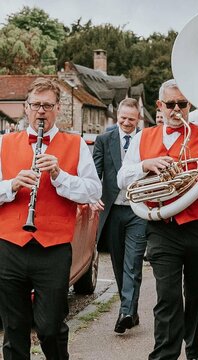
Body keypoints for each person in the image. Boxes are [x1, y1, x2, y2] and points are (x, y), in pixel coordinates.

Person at [117, 79, 198, 360]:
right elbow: (122, 179)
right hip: (162, 229)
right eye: (171, 104)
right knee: (167, 298)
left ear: (189, 105)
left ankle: (195, 353)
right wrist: (145, 166)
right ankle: (164, 355)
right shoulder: (143, 138)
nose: (177, 109)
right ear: (160, 106)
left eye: (182, 104)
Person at [0, 77, 102, 359]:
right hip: (10, 246)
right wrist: (12, 185)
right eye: (35, 105)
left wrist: (59, 176)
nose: (40, 111)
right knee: (14, 327)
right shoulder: (4, 142)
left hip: (53, 248)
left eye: (47, 105)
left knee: (49, 326)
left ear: (58, 109)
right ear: (25, 107)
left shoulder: (76, 144)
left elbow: (93, 191)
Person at [92, 98, 147, 334]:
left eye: (131, 119)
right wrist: (92, 196)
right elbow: (95, 173)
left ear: (138, 119)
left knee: (133, 263)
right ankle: (131, 312)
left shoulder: (146, 140)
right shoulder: (104, 140)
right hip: (113, 210)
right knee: (118, 263)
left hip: (138, 210)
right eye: (122, 118)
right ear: (117, 117)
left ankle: (124, 311)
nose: (126, 122)